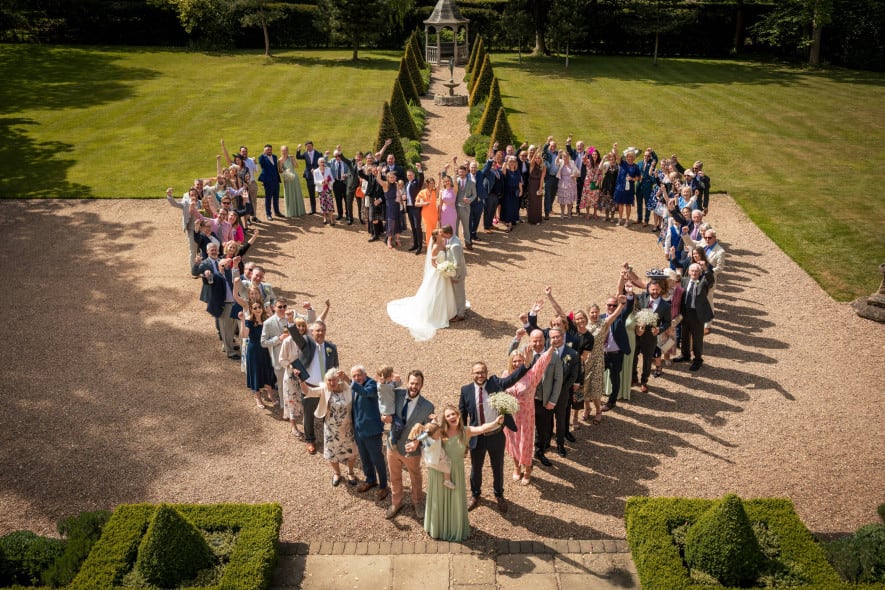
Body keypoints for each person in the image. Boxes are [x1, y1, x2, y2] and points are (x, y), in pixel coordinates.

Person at [412, 406, 504, 542]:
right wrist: (414, 443)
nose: (451, 417)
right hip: (439, 470)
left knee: (455, 499)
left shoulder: (465, 431)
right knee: (439, 499)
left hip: (456, 470)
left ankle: (454, 529)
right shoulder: (441, 431)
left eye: (453, 414)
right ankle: (438, 528)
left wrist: (497, 422)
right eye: (448, 416)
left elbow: (483, 428)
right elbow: (426, 433)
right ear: (445, 419)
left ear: (458, 415)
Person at [458, 358, 530, 513]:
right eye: (477, 372)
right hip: (477, 436)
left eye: (483, 372)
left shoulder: (495, 383)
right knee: (476, 468)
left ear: (487, 372)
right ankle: (475, 495)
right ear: (472, 374)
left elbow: (513, 378)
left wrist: (527, 364)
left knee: (498, 467)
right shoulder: (465, 390)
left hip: (496, 435)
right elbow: (462, 415)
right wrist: (463, 437)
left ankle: (499, 494)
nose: (480, 375)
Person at [387, 228, 456, 341]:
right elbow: (432, 262)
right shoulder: (434, 247)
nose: (442, 233)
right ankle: (435, 314)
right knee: (436, 292)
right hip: (438, 271)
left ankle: (449, 311)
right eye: (440, 232)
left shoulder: (443, 242)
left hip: (444, 270)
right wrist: (441, 268)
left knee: (446, 291)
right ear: (436, 236)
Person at [383, 370, 434, 519]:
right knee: (394, 477)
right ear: (407, 382)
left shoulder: (428, 406)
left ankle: (417, 503)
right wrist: (383, 415)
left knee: (415, 477)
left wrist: (418, 441)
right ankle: (396, 502)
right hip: (392, 445)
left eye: (417, 384)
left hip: (412, 450)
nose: (414, 386)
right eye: (411, 383)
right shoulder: (396, 394)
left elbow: (429, 430)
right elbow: (382, 397)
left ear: (422, 385)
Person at [502, 341, 554, 485]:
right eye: (515, 361)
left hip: (526, 415)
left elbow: (542, 363)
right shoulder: (506, 374)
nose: (517, 363)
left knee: (525, 442)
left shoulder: (531, 375)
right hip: (511, 415)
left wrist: (552, 348)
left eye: (520, 360)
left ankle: (527, 470)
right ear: (510, 362)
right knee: (512, 441)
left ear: (524, 361)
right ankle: (516, 466)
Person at [290, 319, 339, 455]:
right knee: (309, 414)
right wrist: (289, 322)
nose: (320, 333)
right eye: (317, 330)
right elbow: (295, 336)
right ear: (311, 332)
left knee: (328, 413)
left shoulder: (331, 347)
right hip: (310, 386)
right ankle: (310, 439)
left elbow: (335, 366)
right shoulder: (306, 344)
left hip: (326, 387)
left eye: (323, 330)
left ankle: (328, 439)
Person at [305, 369, 358, 487]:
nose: (332, 382)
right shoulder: (325, 389)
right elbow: (309, 391)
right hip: (331, 430)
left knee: (351, 452)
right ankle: (337, 473)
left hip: (348, 428)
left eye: (334, 380)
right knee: (332, 454)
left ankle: (350, 472)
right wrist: (301, 381)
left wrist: (347, 378)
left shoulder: (347, 388)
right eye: (329, 380)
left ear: (338, 380)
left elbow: (359, 389)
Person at [191, 242, 239, 361]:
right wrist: (197, 263)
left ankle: (227, 345)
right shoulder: (205, 263)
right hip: (218, 298)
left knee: (231, 325)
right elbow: (195, 273)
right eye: (211, 250)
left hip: (231, 297)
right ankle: (230, 351)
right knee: (224, 325)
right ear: (207, 252)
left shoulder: (222, 260)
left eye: (215, 249)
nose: (214, 251)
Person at [348, 365, 389, 500]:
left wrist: (350, 382)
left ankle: (383, 486)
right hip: (359, 430)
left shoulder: (372, 385)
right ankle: (370, 479)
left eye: (359, 375)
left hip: (372, 430)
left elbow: (365, 393)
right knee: (364, 458)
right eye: (354, 376)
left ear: (365, 374)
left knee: (377, 459)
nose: (356, 378)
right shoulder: (354, 387)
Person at [632, 279, 672, 394]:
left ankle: (644, 381)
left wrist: (660, 329)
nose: (654, 291)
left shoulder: (665, 306)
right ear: (648, 289)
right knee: (634, 356)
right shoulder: (641, 298)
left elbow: (667, 322)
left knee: (647, 359)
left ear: (661, 290)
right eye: (652, 289)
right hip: (636, 333)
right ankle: (634, 378)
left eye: (657, 289)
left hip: (651, 336)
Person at [600, 285, 635, 412]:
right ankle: (596, 398)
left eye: (614, 305)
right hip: (602, 354)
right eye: (609, 305)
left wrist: (630, 294)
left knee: (615, 378)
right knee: (596, 377)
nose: (611, 308)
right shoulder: (600, 318)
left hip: (616, 355)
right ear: (605, 305)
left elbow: (629, 307)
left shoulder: (620, 316)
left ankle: (612, 401)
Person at [674, 261, 715, 371]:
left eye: (697, 271)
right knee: (685, 335)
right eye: (692, 270)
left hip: (698, 314)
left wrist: (706, 269)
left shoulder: (704, 281)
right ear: (689, 271)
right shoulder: (684, 280)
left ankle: (697, 359)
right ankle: (685, 355)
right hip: (685, 312)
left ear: (700, 272)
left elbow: (710, 280)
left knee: (697, 338)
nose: (694, 273)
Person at [243, 302, 277, 409]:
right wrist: (242, 321)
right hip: (254, 351)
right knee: (256, 372)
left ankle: (270, 394)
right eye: (255, 308)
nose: (258, 309)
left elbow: (276, 325)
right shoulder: (249, 321)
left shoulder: (266, 320)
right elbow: (244, 335)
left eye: (259, 307)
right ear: (251, 310)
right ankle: (258, 397)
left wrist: (270, 312)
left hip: (265, 349)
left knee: (267, 370)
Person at [409, 421, 455, 490]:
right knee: (447, 467)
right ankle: (447, 480)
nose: (439, 434)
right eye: (437, 433)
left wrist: (434, 419)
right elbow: (427, 434)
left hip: (431, 455)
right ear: (431, 434)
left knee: (444, 457)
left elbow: (431, 428)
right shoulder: (431, 442)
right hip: (433, 460)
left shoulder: (430, 437)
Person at [166, 187, 203, 272]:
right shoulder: (186, 203)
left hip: (201, 230)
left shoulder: (201, 203)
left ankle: (202, 268)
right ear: (189, 196)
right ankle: (194, 270)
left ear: (197, 195)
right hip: (191, 229)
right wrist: (169, 195)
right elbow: (174, 204)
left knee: (201, 249)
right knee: (193, 250)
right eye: (191, 195)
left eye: (195, 194)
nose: (193, 196)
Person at [439, 225, 468, 322]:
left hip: (458, 274)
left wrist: (455, 276)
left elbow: (457, 263)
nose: (441, 235)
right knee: (458, 293)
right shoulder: (453, 239)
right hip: (456, 273)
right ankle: (459, 309)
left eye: (442, 233)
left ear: (448, 233)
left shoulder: (455, 245)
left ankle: (460, 315)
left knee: (459, 294)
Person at [612, 143, 642, 226]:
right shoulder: (623, 163)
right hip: (620, 187)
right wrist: (614, 148)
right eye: (629, 157)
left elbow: (638, 177)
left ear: (634, 158)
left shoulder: (636, 167)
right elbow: (617, 156)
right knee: (620, 204)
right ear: (626, 157)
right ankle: (620, 219)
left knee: (628, 204)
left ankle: (627, 220)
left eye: (632, 157)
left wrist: (632, 179)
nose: (630, 158)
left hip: (629, 189)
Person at [453, 163, 476, 249]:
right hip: (455, 208)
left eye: (463, 172)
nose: (461, 173)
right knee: (455, 227)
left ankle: (468, 242)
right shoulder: (455, 181)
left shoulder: (471, 183)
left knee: (466, 227)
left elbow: (474, 194)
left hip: (466, 208)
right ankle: (456, 244)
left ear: (466, 172)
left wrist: (469, 200)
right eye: (460, 172)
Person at [376, 169, 402, 249]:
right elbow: (378, 180)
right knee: (391, 222)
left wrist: (401, 202)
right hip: (390, 206)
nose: (392, 179)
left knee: (398, 221)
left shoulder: (396, 184)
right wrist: (379, 171)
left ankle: (397, 239)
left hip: (397, 205)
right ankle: (389, 240)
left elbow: (398, 194)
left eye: (393, 177)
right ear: (387, 178)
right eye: (390, 177)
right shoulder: (386, 184)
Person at [279, 145, 306, 218]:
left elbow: (296, 166)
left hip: (294, 177)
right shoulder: (280, 160)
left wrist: (293, 160)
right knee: (289, 194)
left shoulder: (291, 157)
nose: (284, 152)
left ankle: (299, 211)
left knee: (296, 192)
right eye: (283, 151)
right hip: (287, 178)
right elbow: (280, 171)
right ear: (281, 151)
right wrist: (285, 171)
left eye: (286, 150)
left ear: (287, 151)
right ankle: (291, 211)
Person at [404, 165, 425, 253]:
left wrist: (419, 169)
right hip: (409, 208)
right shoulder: (406, 184)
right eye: (408, 175)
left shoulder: (417, 182)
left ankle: (420, 246)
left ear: (414, 175)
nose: (409, 176)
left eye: (411, 175)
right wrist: (404, 197)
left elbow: (421, 178)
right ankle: (415, 244)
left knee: (417, 227)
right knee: (413, 227)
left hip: (416, 208)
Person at [296, 141, 321, 215]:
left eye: (310, 146)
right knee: (311, 193)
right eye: (307, 146)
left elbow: (322, 164)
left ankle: (324, 208)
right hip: (309, 176)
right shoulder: (305, 153)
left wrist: (316, 170)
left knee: (321, 192)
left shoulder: (318, 153)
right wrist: (298, 149)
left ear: (312, 146)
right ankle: (313, 209)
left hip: (318, 175)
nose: (308, 147)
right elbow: (298, 157)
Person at [258, 144, 282, 221]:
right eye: (267, 150)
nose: (269, 151)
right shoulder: (262, 158)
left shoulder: (274, 157)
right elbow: (261, 164)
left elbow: (275, 168)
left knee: (276, 197)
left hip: (275, 180)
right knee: (268, 198)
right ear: (264, 150)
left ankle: (277, 211)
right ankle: (268, 214)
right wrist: (263, 154)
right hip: (268, 181)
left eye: (270, 149)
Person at [555, 149, 579, 218]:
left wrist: (574, 175)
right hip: (562, 183)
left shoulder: (572, 162)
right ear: (562, 157)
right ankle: (562, 213)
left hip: (571, 183)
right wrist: (558, 155)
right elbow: (556, 162)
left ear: (569, 156)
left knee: (570, 199)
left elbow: (578, 173)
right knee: (562, 199)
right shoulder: (561, 161)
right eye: (564, 156)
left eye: (566, 156)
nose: (565, 158)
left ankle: (569, 213)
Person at [313, 158, 335, 226]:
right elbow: (315, 182)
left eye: (323, 162)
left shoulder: (328, 169)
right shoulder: (315, 171)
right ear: (318, 163)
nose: (322, 163)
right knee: (323, 204)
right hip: (321, 190)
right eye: (321, 162)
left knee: (330, 204)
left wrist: (328, 182)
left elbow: (332, 179)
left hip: (328, 189)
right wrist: (322, 182)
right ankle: (325, 218)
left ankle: (331, 219)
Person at [526, 150, 545, 225]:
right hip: (531, 185)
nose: (537, 159)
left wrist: (540, 188)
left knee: (538, 203)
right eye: (536, 158)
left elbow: (542, 178)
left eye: (539, 158)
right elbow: (532, 160)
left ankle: (537, 220)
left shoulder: (543, 167)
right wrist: (536, 151)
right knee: (531, 202)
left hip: (538, 185)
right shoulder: (532, 165)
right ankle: (531, 220)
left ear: (541, 159)